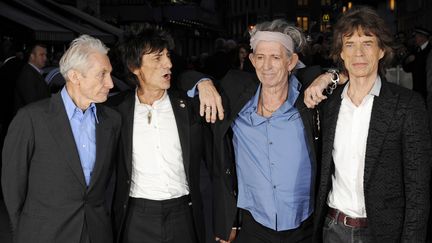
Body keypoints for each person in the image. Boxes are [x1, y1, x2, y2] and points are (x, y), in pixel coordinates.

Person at [305, 7, 431, 242]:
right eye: (350, 44)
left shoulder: (407, 106)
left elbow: (418, 191)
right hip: (332, 229)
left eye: (368, 43)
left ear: (382, 50)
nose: (358, 53)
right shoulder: (329, 104)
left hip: (383, 233)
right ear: (340, 53)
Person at [194, 19, 322, 243]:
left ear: (291, 61)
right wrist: (202, 83)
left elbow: (350, 74)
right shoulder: (234, 94)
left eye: (275, 57)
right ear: (252, 60)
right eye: (260, 57)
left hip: (305, 227)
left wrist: (334, 75)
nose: (266, 66)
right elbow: (181, 79)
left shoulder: (310, 98)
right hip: (254, 226)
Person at [2, 35, 121, 243]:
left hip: (97, 233)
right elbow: (13, 186)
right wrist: (23, 233)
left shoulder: (112, 120)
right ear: (75, 76)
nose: (110, 83)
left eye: (110, 74)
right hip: (44, 235)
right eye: (102, 74)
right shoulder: (31, 119)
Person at [108, 24, 220, 243]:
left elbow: (215, 164)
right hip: (136, 216)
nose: (168, 64)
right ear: (134, 67)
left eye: (168, 56)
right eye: (157, 58)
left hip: (183, 214)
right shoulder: (115, 111)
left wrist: (204, 81)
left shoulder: (189, 106)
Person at [14, 43, 50, 111]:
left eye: (45, 55)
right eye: (41, 55)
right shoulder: (28, 74)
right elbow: (32, 104)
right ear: (32, 56)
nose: (45, 58)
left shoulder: (32, 72)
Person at [403, 27, 431, 99]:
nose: (415, 39)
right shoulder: (415, 50)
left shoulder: (430, 50)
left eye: (416, 36)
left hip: (428, 87)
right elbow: (407, 69)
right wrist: (408, 61)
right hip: (417, 87)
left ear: (423, 37)